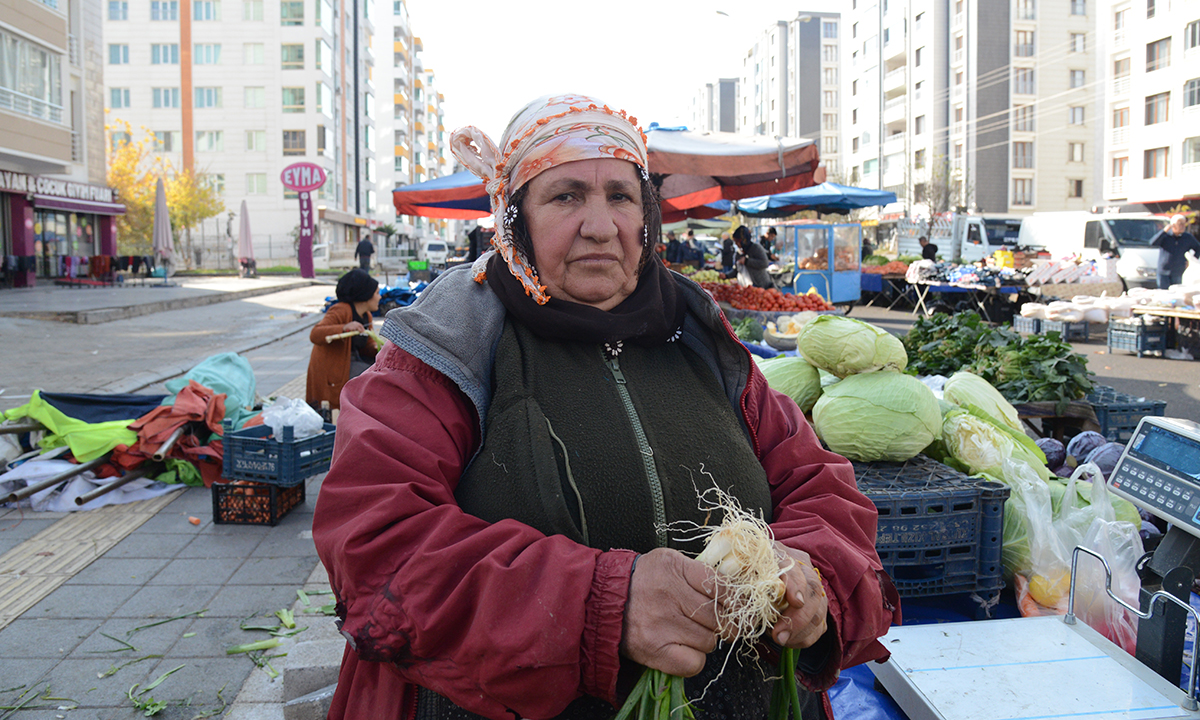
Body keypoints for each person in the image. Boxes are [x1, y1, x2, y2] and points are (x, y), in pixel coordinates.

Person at [312, 93, 900, 720]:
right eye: (565, 196)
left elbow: (820, 487)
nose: (600, 225)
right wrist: (603, 606)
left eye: (620, 196)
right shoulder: (447, 345)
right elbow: (377, 544)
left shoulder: (698, 335)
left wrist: (817, 578)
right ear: (515, 219)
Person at [306, 268, 379, 412]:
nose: (380, 297)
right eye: (377, 293)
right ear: (365, 295)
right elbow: (315, 334)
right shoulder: (341, 310)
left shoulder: (367, 316)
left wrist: (381, 348)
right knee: (373, 380)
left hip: (352, 363)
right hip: (335, 372)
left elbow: (368, 346)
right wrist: (344, 327)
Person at [1150, 214, 1200, 289]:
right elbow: (1153, 243)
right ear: (1173, 225)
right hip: (1164, 271)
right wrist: (1164, 231)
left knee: (1177, 293)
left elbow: (1198, 248)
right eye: (1180, 224)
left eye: (1184, 224)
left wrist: (1191, 260)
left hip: (1178, 272)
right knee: (1164, 293)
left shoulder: (1187, 237)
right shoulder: (1166, 236)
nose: (1183, 226)